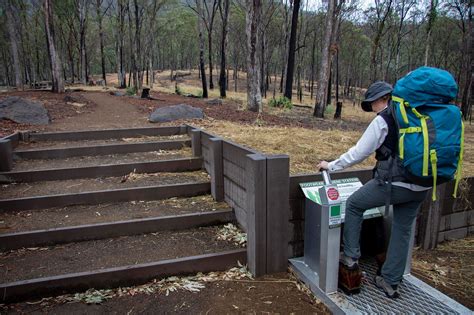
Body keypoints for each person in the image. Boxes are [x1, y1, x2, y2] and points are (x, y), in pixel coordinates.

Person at [317, 81, 430, 299]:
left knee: (354, 205)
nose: (372, 109)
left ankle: (350, 259)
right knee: (403, 229)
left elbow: (360, 152)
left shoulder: (385, 118)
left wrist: (331, 165)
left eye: (372, 104)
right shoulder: (417, 116)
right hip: (421, 184)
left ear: (383, 99)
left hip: (393, 183)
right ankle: (390, 281)